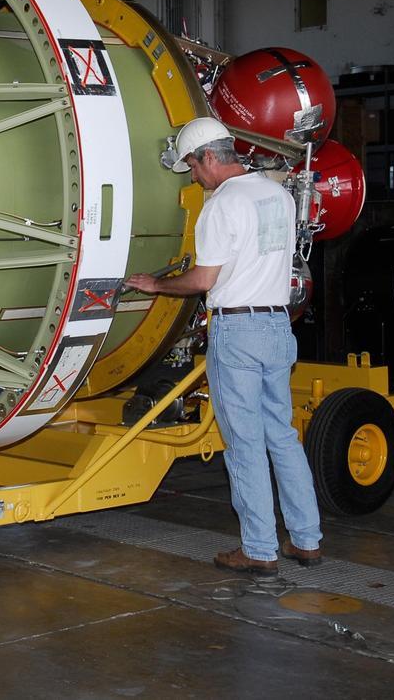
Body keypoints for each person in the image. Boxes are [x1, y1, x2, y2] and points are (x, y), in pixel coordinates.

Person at [125, 117, 322, 577]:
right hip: (278, 325)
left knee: (244, 442)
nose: (193, 176)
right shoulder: (276, 196)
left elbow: (203, 280)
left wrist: (156, 284)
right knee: (283, 435)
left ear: (209, 158)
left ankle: (258, 548)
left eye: (192, 166)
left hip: (238, 330)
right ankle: (307, 539)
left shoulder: (221, 206)